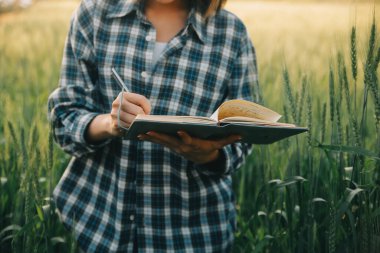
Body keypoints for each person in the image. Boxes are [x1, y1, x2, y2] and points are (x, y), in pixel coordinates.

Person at [48, 0, 259, 252]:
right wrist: (110, 122)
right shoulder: (94, 15)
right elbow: (66, 114)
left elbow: (246, 130)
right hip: (98, 225)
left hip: (193, 236)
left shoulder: (232, 33)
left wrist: (208, 155)